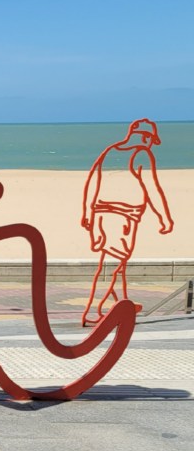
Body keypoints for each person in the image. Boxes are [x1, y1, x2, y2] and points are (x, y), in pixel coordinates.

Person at [80, 118, 173, 326]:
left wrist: (87, 213)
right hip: (121, 217)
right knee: (113, 263)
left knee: (115, 262)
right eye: (151, 140)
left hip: (101, 215)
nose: (151, 145)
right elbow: (152, 188)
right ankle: (94, 312)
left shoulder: (110, 151)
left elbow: (93, 183)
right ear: (144, 137)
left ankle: (122, 303)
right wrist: (163, 218)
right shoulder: (141, 153)